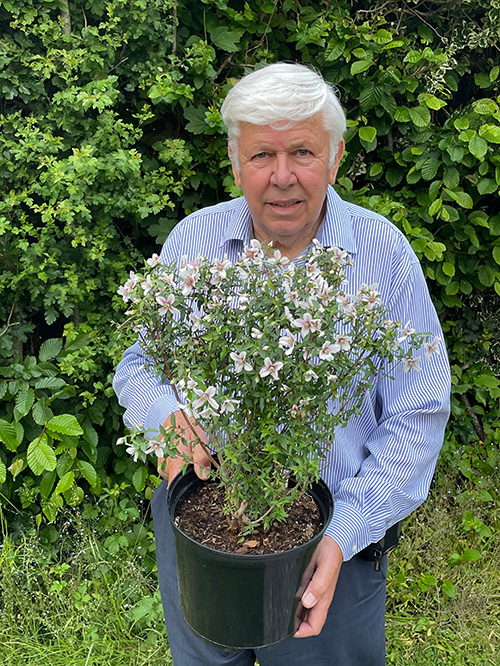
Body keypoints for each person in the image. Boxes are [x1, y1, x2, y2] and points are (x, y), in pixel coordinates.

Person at [113, 62, 451, 666]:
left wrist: (344, 532)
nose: (283, 176)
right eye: (262, 155)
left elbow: (417, 416)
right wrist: (165, 420)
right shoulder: (195, 241)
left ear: (336, 157)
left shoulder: (385, 256)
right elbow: (140, 364)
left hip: (330, 540)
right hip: (202, 517)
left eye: (302, 151)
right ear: (234, 162)